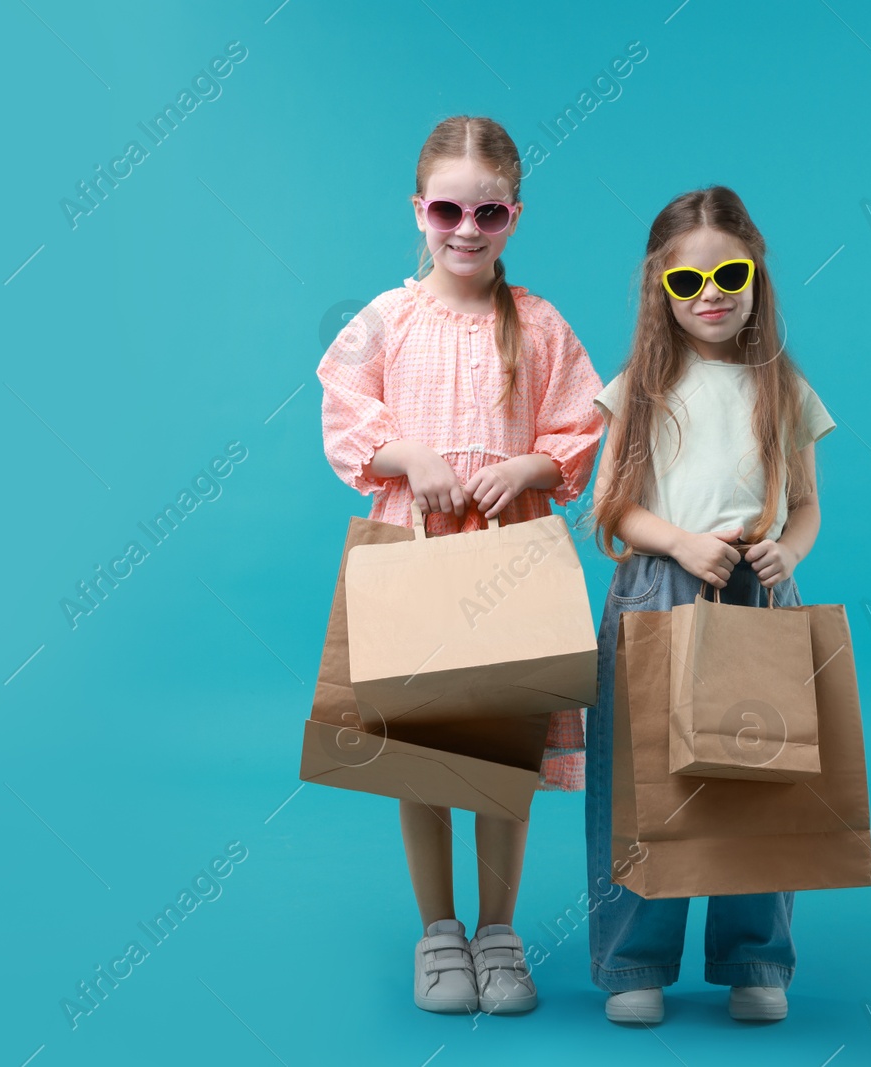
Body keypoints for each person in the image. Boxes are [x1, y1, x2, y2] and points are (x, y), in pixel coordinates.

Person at [316, 115, 603, 1016]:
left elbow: (581, 423)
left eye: (489, 214)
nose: (466, 231)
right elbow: (344, 406)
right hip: (415, 549)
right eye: (448, 210)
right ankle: (439, 931)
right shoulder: (386, 319)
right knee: (422, 745)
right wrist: (408, 454)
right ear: (419, 209)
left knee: (502, 748)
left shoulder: (541, 325)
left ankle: (499, 931)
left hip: (509, 558)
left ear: (515, 216)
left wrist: (537, 465)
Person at [584, 185, 836, 1024]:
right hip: (661, 587)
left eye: (729, 274)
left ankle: (755, 955)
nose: (711, 295)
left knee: (760, 774)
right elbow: (609, 507)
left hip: (757, 592)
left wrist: (787, 551)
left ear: (756, 272)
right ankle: (634, 960)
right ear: (661, 288)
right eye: (687, 282)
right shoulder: (640, 385)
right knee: (643, 777)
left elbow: (805, 505)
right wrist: (681, 542)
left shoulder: (782, 387)